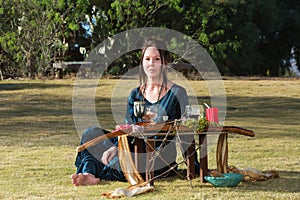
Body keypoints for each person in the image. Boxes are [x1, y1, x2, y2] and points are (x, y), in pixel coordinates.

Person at [71, 38, 199, 186]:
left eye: (156, 59)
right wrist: (116, 148)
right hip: (131, 146)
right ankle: (89, 174)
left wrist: (194, 167)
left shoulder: (177, 93)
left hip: (158, 154)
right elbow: (127, 128)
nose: (151, 63)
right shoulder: (135, 94)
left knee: (118, 164)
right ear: (142, 62)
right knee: (90, 133)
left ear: (165, 63)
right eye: (147, 59)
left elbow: (186, 131)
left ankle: (91, 169)